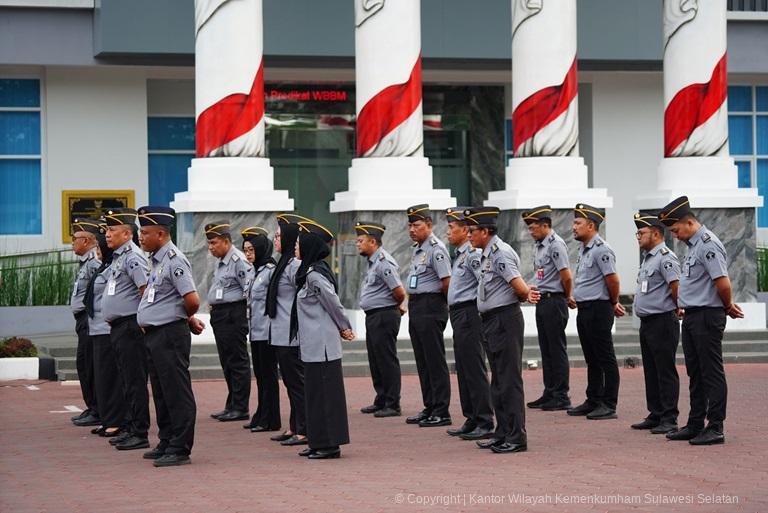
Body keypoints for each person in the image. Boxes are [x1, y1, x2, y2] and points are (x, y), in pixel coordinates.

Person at [659, 196, 744, 445]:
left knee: (711, 372)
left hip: (708, 315)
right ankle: (696, 423)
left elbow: (723, 282)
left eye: (676, 230)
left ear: (688, 222)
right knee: (696, 372)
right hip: (694, 315)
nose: (675, 236)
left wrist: (727, 306)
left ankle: (715, 426)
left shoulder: (707, 245)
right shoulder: (694, 246)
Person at [466, 206, 539, 454]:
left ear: (485, 231)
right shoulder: (488, 254)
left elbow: (519, 287)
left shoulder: (500, 254)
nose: (468, 235)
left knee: (508, 380)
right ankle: (503, 431)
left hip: (504, 320)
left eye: (472, 231)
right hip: (491, 320)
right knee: (498, 380)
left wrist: (523, 295)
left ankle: (516, 436)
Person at [137, 206, 202, 467]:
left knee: (176, 390)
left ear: (161, 234)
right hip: (155, 334)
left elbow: (192, 299)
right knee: (162, 391)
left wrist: (182, 317)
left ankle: (180, 446)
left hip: (169, 334)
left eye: (145, 233)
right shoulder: (156, 261)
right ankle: (167, 438)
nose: (140, 237)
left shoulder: (175, 260)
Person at [292, 218, 355, 459]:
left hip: (323, 345)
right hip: (312, 345)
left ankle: (330, 444)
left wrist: (345, 327)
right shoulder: (307, 273)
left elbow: (333, 303)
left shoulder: (315, 276)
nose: (296, 247)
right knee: (315, 396)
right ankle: (318, 440)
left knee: (326, 396)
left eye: (299, 243)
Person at [567, 204, 625, 421]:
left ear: (591, 225)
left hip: (599, 309)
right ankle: (593, 399)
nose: (573, 227)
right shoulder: (585, 249)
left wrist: (613, 301)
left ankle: (608, 403)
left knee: (605, 357)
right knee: (591, 358)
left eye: (577, 223)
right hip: (585, 309)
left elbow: (613, 279)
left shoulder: (602, 249)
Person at [101, 208, 151, 451]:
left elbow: (145, 292)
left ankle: (140, 431)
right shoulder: (119, 258)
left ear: (127, 233)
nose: (107, 234)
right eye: (107, 230)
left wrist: (142, 323)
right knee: (125, 380)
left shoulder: (133, 257)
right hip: (119, 327)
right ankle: (130, 426)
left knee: (134, 380)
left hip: (131, 326)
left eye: (112, 230)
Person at [630, 211, 681, 435]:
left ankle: (669, 417)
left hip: (662, 320)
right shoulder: (649, 258)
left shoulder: (666, 257)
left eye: (641, 232)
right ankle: (656, 412)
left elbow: (676, 287)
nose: (638, 236)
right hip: (648, 321)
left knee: (664, 370)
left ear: (656, 233)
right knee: (651, 370)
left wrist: (676, 308)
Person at [444, 207, 493, 440]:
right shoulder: (461, 255)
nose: (448, 233)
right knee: (463, 368)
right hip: (459, 315)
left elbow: (482, 284)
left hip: (470, 314)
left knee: (474, 368)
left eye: (451, 228)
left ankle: (484, 420)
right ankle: (471, 417)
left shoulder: (473, 255)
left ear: (465, 230)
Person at [404, 204, 453, 428]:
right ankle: (430, 405)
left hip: (431, 306)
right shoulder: (419, 249)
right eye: (410, 225)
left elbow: (446, 283)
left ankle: (441, 410)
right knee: (423, 360)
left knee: (434, 360)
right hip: (417, 307)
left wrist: (442, 307)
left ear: (429, 225)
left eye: (417, 225)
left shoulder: (436, 249)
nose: (412, 229)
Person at [521, 205, 573, 411]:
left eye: (534, 228)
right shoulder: (540, 245)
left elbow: (566, 276)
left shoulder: (555, 244)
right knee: (547, 349)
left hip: (555, 301)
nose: (530, 232)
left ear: (545, 226)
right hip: (543, 301)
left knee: (556, 349)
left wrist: (567, 296)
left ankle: (561, 395)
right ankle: (549, 391)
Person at [265, 214, 307, 447]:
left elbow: (302, 298)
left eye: (280, 236)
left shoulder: (295, 265)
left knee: (297, 384)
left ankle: (304, 429)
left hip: (291, 334)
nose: (276, 240)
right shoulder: (283, 263)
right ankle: (294, 426)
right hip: (279, 332)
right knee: (290, 383)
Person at [356, 221, 405, 418]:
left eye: (361, 241)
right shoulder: (373, 262)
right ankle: (382, 398)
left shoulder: (384, 262)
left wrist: (396, 306)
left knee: (386, 359)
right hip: (375, 316)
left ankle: (393, 403)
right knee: (376, 360)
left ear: (373, 242)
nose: (357, 244)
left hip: (384, 315)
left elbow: (399, 292)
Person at [205, 220, 253, 422]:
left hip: (234, 314)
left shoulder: (238, 260)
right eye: (208, 243)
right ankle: (232, 403)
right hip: (221, 315)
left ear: (226, 241)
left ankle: (241, 407)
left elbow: (248, 290)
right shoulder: (221, 261)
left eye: (214, 243)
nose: (210, 247)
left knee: (237, 361)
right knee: (227, 361)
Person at [84, 223, 126, 439]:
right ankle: (107, 417)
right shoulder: (105, 267)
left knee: (110, 378)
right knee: (101, 378)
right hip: (97, 328)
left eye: (100, 250)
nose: (98, 254)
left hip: (108, 329)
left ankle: (116, 420)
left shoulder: (117, 265)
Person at [241, 226, 281, 433]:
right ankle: (261, 413)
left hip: (267, 331)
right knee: (260, 376)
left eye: (251, 250)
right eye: (246, 250)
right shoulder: (254, 271)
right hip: (255, 330)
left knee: (268, 375)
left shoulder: (270, 271)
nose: (248, 254)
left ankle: (271, 417)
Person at [69, 217, 102, 427]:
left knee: (89, 365)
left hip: (89, 320)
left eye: (75, 238)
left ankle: (97, 409)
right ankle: (92, 406)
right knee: (84, 364)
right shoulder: (86, 263)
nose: (72, 243)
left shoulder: (94, 263)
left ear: (87, 240)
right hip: (82, 320)